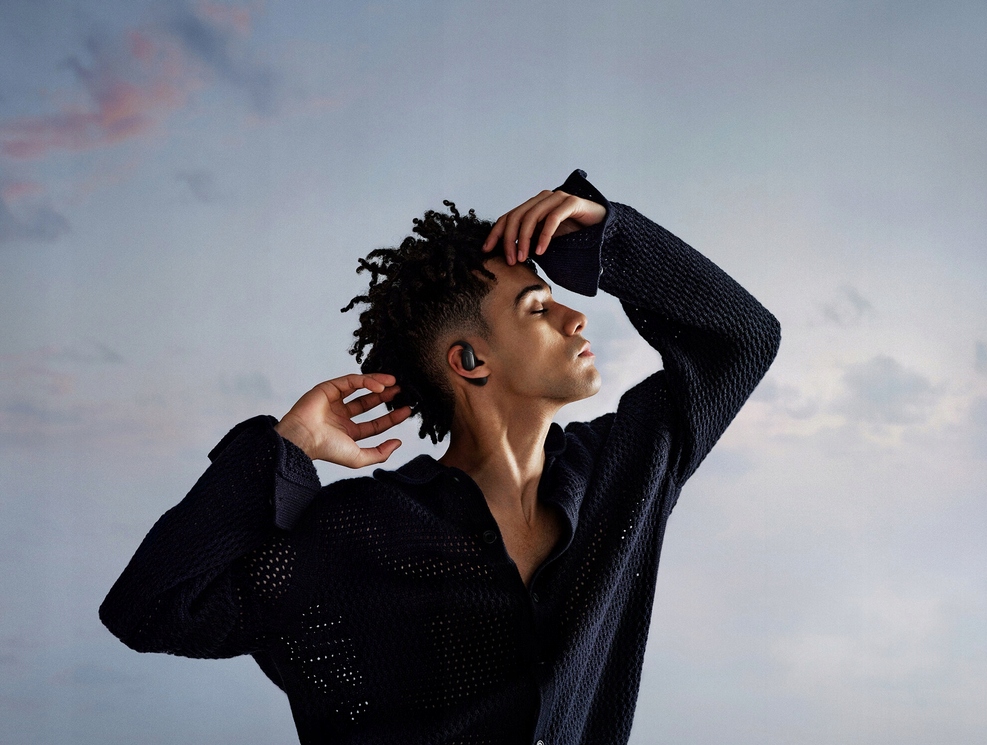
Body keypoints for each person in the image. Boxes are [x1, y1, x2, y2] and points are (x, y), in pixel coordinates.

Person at [100, 170, 781, 744]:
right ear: (469, 360)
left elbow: (744, 339)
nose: (575, 318)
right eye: (537, 308)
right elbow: (151, 608)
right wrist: (286, 448)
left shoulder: (622, 471)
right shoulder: (354, 530)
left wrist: (606, 239)